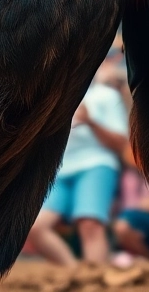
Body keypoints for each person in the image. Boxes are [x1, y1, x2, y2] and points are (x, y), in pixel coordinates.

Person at [29, 75, 129, 267]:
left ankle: (96, 282)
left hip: (97, 164)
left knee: (90, 224)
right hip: (58, 170)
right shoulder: (55, 98)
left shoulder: (106, 95)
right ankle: (78, 276)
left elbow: (121, 143)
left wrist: (90, 121)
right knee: (36, 228)